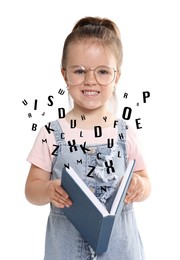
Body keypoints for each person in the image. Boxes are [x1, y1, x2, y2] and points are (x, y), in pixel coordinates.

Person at [25, 16, 151, 260]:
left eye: (103, 71)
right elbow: (31, 190)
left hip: (121, 251)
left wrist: (139, 185)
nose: (90, 80)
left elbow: (146, 183)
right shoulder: (52, 133)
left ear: (116, 78)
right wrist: (48, 189)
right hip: (66, 250)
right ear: (65, 75)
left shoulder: (124, 132)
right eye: (80, 71)